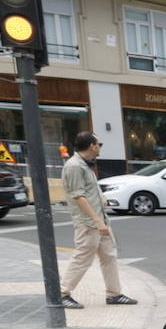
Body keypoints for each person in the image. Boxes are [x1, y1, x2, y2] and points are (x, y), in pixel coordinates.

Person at [60, 132, 136, 308]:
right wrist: (97, 220)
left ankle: (114, 294)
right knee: (83, 257)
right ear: (92, 146)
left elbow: (90, 189)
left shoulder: (85, 166)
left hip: (100, 220)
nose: (100, 147)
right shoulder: (74, 167)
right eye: (98, 144)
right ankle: (62, 293)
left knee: (109, 256)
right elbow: (78, 196)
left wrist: (102, 199)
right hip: (88, 222)